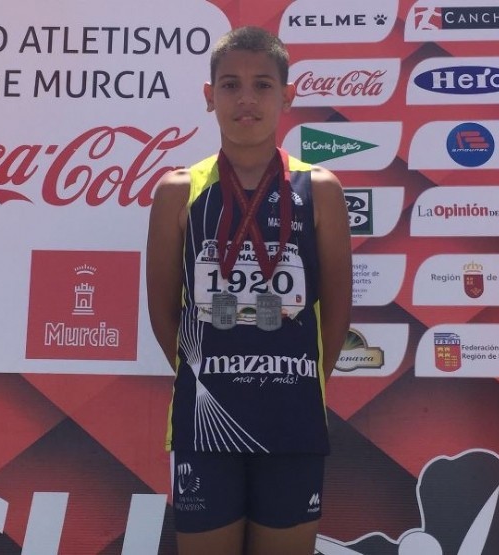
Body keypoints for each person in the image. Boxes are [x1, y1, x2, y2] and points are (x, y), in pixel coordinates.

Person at [146, 26, 352, 555]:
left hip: (293, 418)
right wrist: (207, 374)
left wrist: (302, 382)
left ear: (287, 95)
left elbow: (337, 309)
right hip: (206, 418)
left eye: (262, 85)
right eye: (231, 84)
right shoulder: (177, 191)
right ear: (209, 95)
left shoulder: (321, 189)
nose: (246, 99)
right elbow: (162, 308)